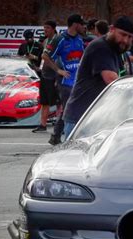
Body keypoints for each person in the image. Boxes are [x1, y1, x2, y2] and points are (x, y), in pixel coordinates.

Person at [62, 16, 133, 137]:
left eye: (130, 37)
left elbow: (128, 79)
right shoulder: (101, 47)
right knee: (77, 155)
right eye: (122, 34)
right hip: (82, 118)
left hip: (98, 118)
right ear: (111, 29)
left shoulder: (119, 52)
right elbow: (112, 81)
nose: (126, 40)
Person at [42, 13, 86, 144]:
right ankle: (67, 139)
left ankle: (56, 136)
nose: (83, 27)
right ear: (75, 24)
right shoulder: (60, 39)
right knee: (70, 108)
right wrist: (58, 70)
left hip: (77, 80)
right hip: (65, 81)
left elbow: (81, 58)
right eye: (81, 24)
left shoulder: (79, 39)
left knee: (69, 109)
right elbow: (45, 56)